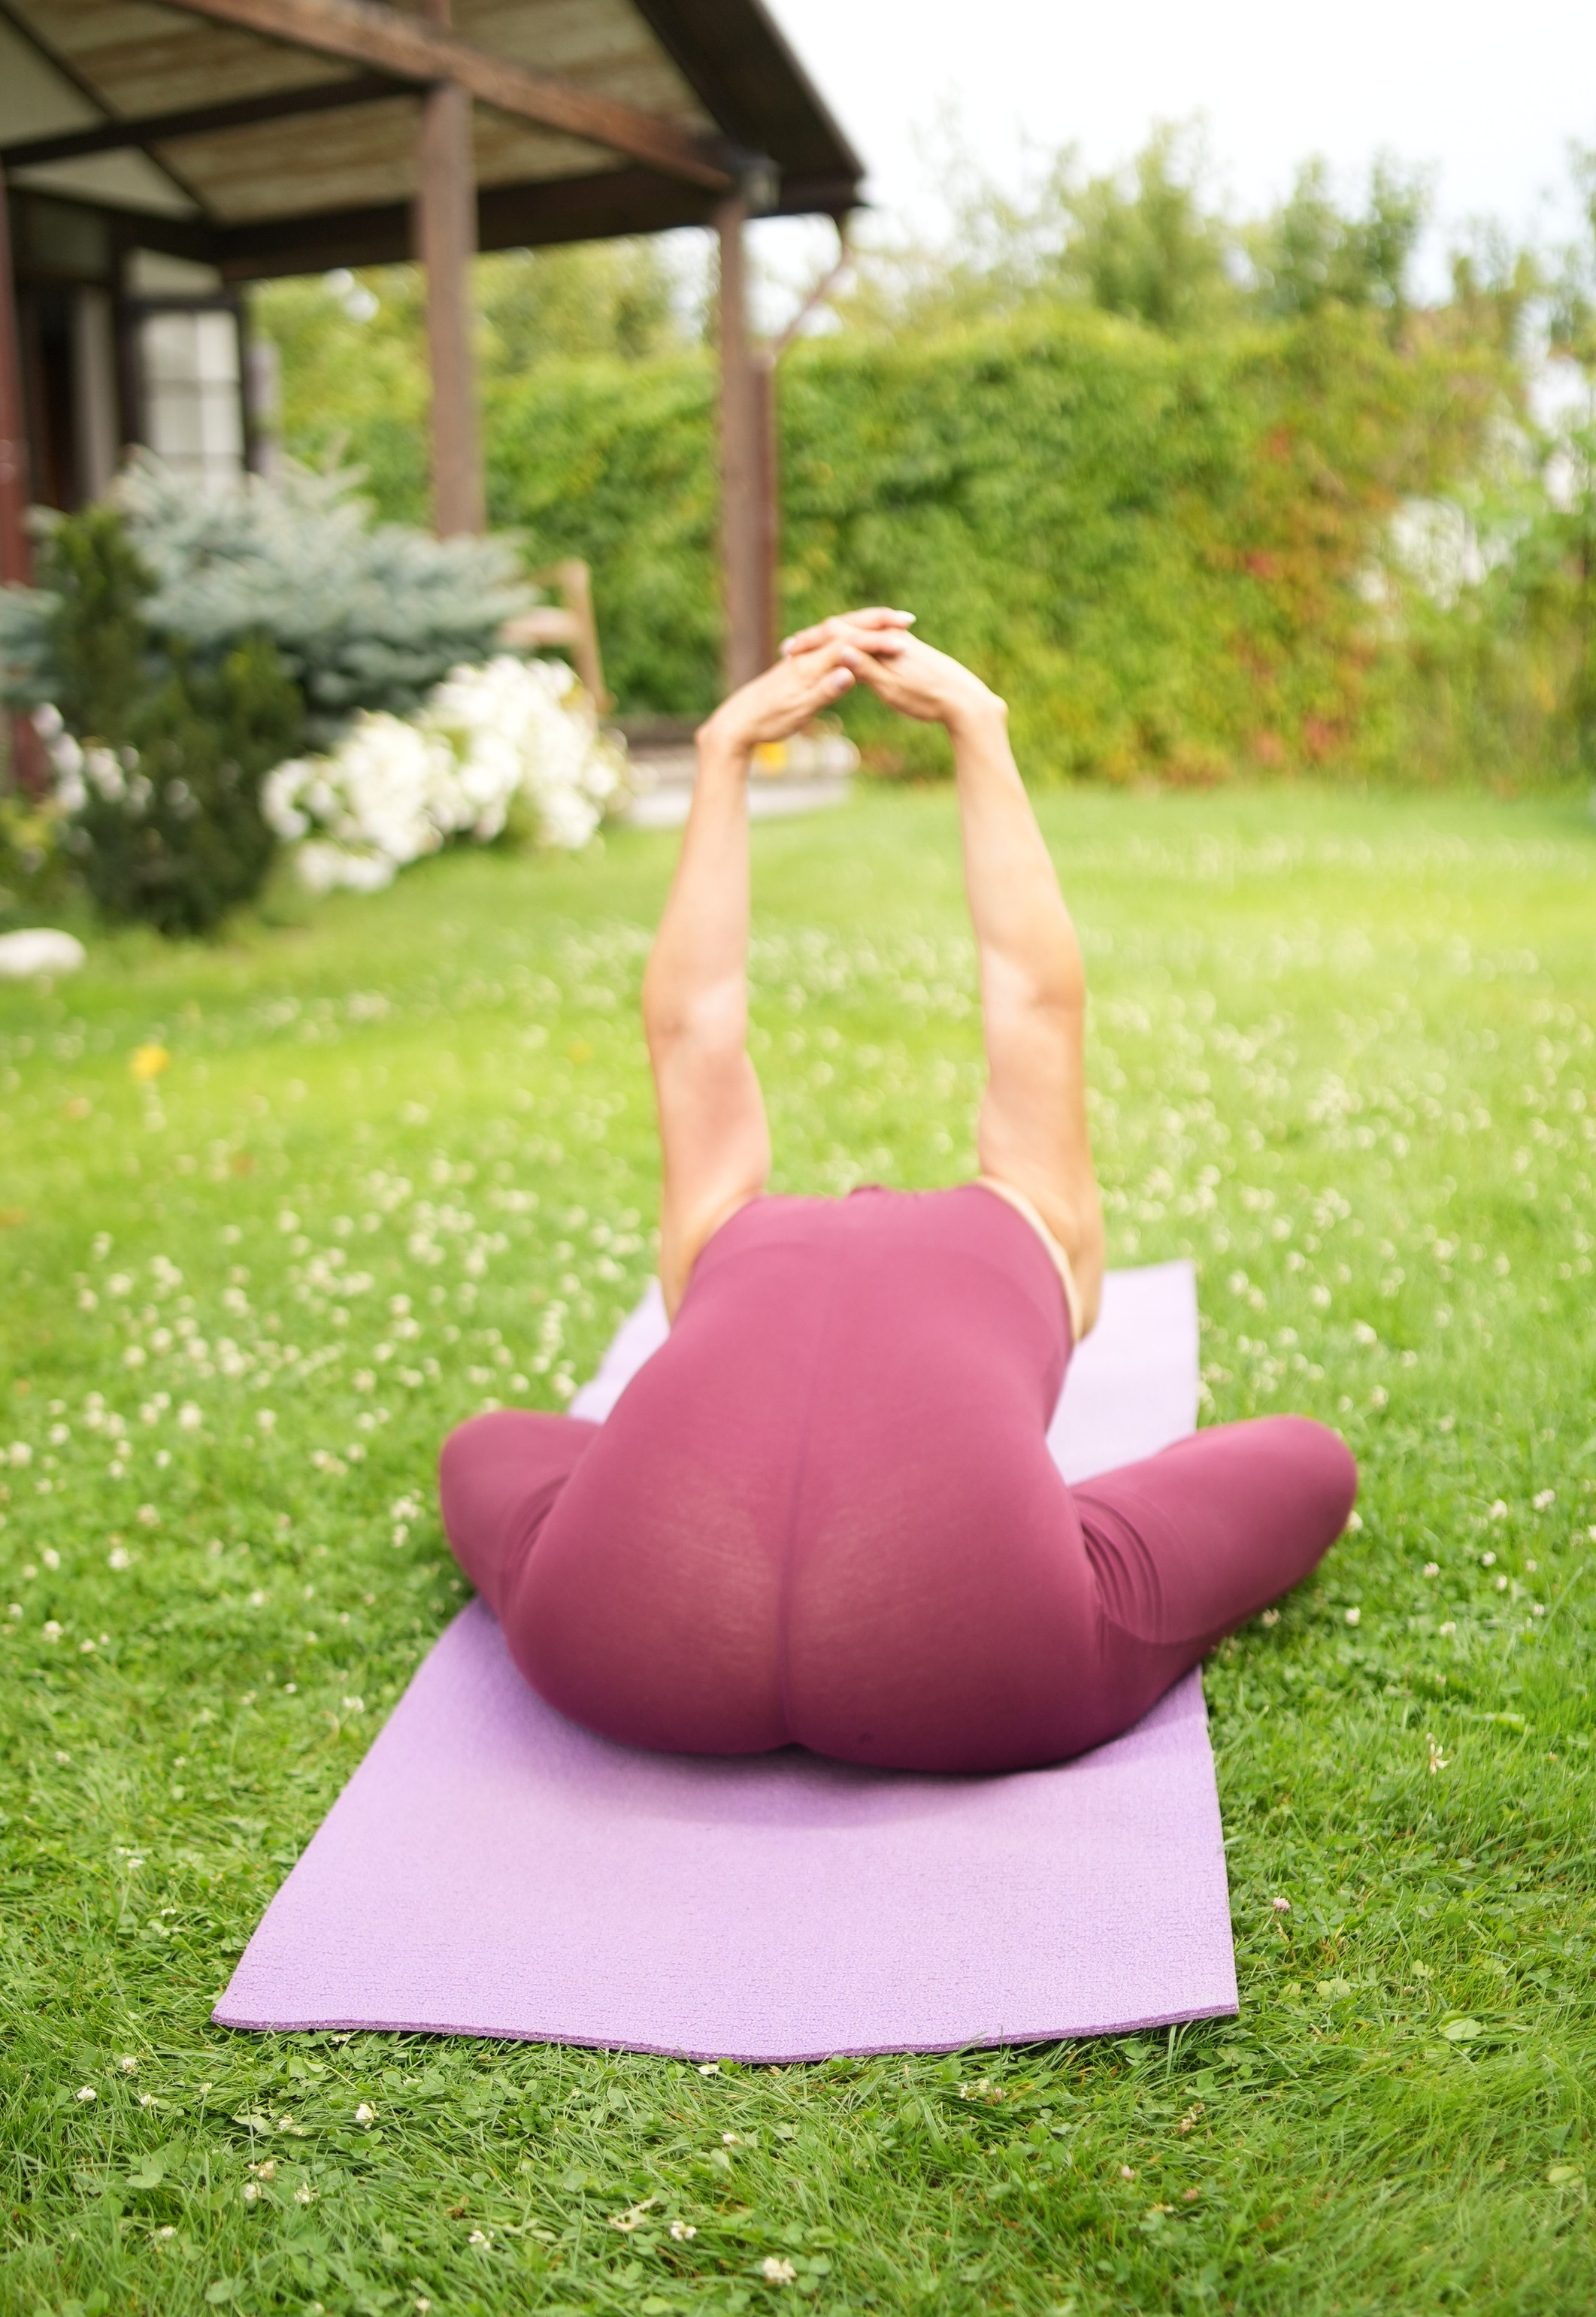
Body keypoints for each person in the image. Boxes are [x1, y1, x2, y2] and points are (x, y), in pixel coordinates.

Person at [439, 612, 1355, 1774]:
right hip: (977, 1646)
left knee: (486, 1443)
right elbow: (1034, 1001)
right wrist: (978, 725)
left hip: (627, 1630)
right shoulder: (1041, 1219)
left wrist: (725, 754)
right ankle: (1062, 1533)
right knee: (1308, 1458)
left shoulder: (719, 1227)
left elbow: (691, 1028)